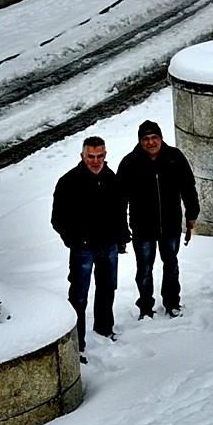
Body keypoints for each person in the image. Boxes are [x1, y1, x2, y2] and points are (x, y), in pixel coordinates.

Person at [52, 135, 128, 360]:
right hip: (83, 248)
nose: (95, 161)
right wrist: (74, 240)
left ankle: (105, 328)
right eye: (91, 156)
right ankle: (78, 342)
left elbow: (119, 211)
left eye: (100, 156)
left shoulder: (111, 179)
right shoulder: (68, 182)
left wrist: (121, 237)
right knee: (79, 296)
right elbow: (58, 219)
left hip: (108, 245)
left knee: (107, 288)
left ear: (105, 155)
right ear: (82, 156)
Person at [117, 120, 201, 320]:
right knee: (144, 268)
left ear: (161, 138)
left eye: (154, 137)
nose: (151, 142)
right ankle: (146, 307)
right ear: (140, 141)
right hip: (142, 226)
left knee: (171, 264)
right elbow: (120, 199)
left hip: (170, 224)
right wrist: (122, 229)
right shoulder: (130, 163)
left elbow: (188, 188)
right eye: (146, 139)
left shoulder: (175, 158)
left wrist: (191, 216)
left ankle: (172, 302)